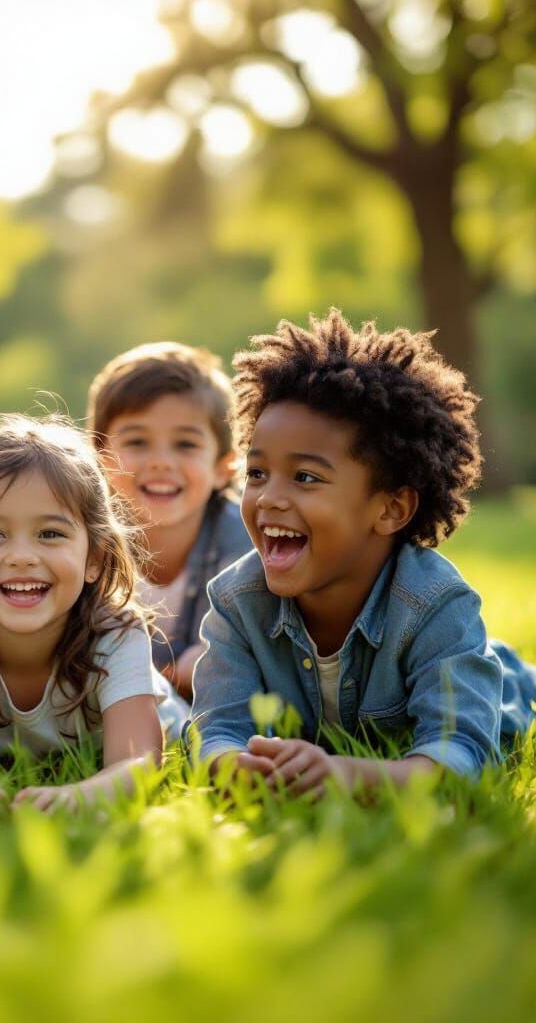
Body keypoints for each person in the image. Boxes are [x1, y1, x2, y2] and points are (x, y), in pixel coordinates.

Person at [189, 309, 536, 793]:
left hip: (506, 691)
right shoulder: (237, 603)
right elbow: (217, 729)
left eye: (305, 477)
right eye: (257, 473)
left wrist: (350, 776)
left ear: (391, 509)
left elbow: (463, 756)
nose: (268, 498)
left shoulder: (436, 606)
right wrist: (233, 766)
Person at [0, 416, 187, 817]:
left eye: (50, 534)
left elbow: (139, 762)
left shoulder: (116, 633)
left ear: (94, 558)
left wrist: (83, 796)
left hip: (166, 721)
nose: (22, 557)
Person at [88, 342, 251, 699]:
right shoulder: (84, 541)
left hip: (206, 696)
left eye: (185, 444)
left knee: (209, 663)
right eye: (137, 442)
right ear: (101, 458)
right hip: (111, 694)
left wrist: (198, 665)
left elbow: (243, 650)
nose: (161, 461)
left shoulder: (243, 542)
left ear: (223, 467)